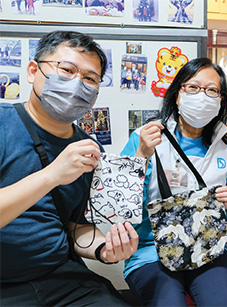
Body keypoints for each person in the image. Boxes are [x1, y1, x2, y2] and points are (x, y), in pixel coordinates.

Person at [0, 31, 138, 306]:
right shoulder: (4, 124)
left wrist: (104, 249)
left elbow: (75, 226)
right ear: (32, 71)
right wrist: (51, 175)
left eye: (89, 79)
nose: (77, 84)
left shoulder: (87, 147)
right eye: (66, 70)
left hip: (60, 278)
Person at [121, 57, 227, 306]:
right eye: (193, 87)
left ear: (221, 99)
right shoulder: (145, 138)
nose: (202, 95)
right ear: (178, 93)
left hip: (209, 248)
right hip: (151, 251)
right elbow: (122, 206)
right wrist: (141, 156)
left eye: (212, 90)